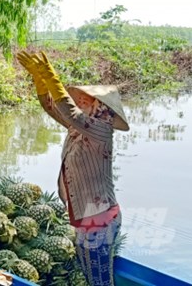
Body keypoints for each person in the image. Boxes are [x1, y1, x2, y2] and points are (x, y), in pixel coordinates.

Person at [17, 51, 129, 286]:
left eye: (86, 101)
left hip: (100, 220)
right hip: (87, 216)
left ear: (99, 108)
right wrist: (39, 79)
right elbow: (52, 107)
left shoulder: (101, 130)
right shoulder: (78, 129)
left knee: (99, 281)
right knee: (92, 277)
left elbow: (70, 111)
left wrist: (51, 75)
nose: (80, 102)